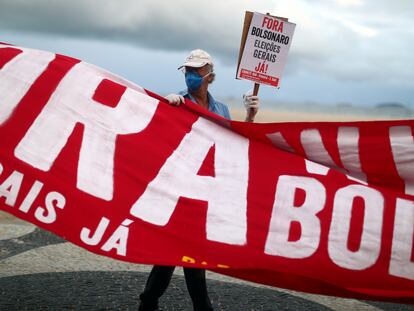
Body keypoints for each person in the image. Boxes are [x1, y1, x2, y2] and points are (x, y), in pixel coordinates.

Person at [138, 49, 260, 311]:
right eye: (188, 71)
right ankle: (161, 303)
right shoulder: (177, 103)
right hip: (178, 193)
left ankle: (148, 302)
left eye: (196, 71)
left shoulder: (221, 110)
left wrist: (249, 118)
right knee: (184, 260)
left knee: (174, 258)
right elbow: (158, 138)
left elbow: (233, 147)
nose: (191, 75)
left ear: (209, 75)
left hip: (203, 196)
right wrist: (163, 107)